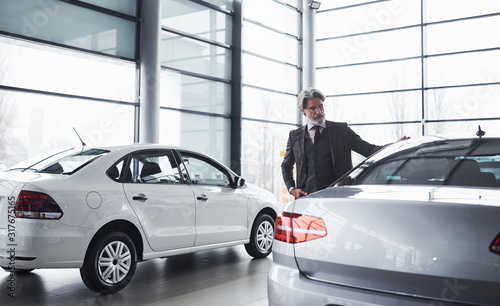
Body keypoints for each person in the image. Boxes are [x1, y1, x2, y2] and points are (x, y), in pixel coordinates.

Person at [281, 87, 409, 199]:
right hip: (306, 198)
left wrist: (394, 146)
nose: (319, 111)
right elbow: (286, 165)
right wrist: (292, 189)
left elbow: (368, 150)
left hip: (339, 196)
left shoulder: (341, 130)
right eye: (312, 108)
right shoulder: (294, 136)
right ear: (303, 111)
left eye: (320, 106)